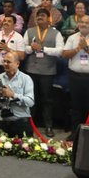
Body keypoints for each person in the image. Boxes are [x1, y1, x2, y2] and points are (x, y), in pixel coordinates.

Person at [23, 8, 65, 138]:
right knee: (31, 98)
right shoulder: (29, 31)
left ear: (48, 19)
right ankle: (29, 125)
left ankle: (48, 126)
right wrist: (31, 48)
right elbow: (23, 48)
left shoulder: (55, 33)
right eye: (38, 16)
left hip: (47, 71)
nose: (39, 18)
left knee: (47, 100)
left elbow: (60, 51)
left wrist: (44, 49)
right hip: (31, 70)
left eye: (42, 16)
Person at [62, 16, 89, 136]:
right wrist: (78, 48)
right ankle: (74, 133)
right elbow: (65, 54)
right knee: (75, 106)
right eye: (81, 22)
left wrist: (86, 48)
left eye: (87, 23)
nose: (83, 24)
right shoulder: (72, 38)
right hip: (75, 77)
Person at [0, 52, 35, 137]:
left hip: (21, 123)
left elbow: (30, 102)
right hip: (3, 123)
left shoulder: (26, 79)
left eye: (8, 62)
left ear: (17, 63)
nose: (5, 64)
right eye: (4, 61)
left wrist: (13, 95)